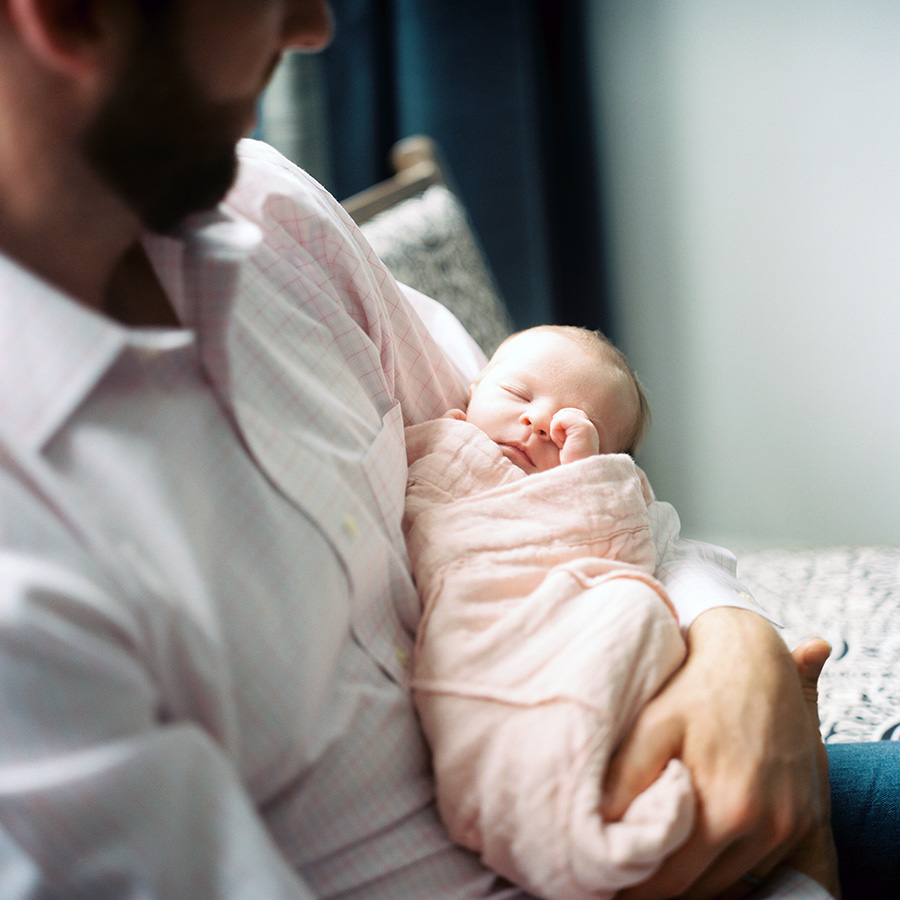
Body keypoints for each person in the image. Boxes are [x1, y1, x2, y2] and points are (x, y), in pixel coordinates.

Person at [0, 1, 886, 898]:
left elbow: (568, 499)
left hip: (658, 764)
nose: (312, 26)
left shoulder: (273, 217)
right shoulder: (26, 558)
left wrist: (733, 643)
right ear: (69, 17)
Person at [404, 325, 836, 899]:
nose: (538, 422)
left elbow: (635, 548)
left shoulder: (603, 488)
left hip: (602, 635)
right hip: (503, 642)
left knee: (634, 615)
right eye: (517, 394)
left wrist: (583, 481)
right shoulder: (441, 443)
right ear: (475, 386)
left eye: (579, 426)